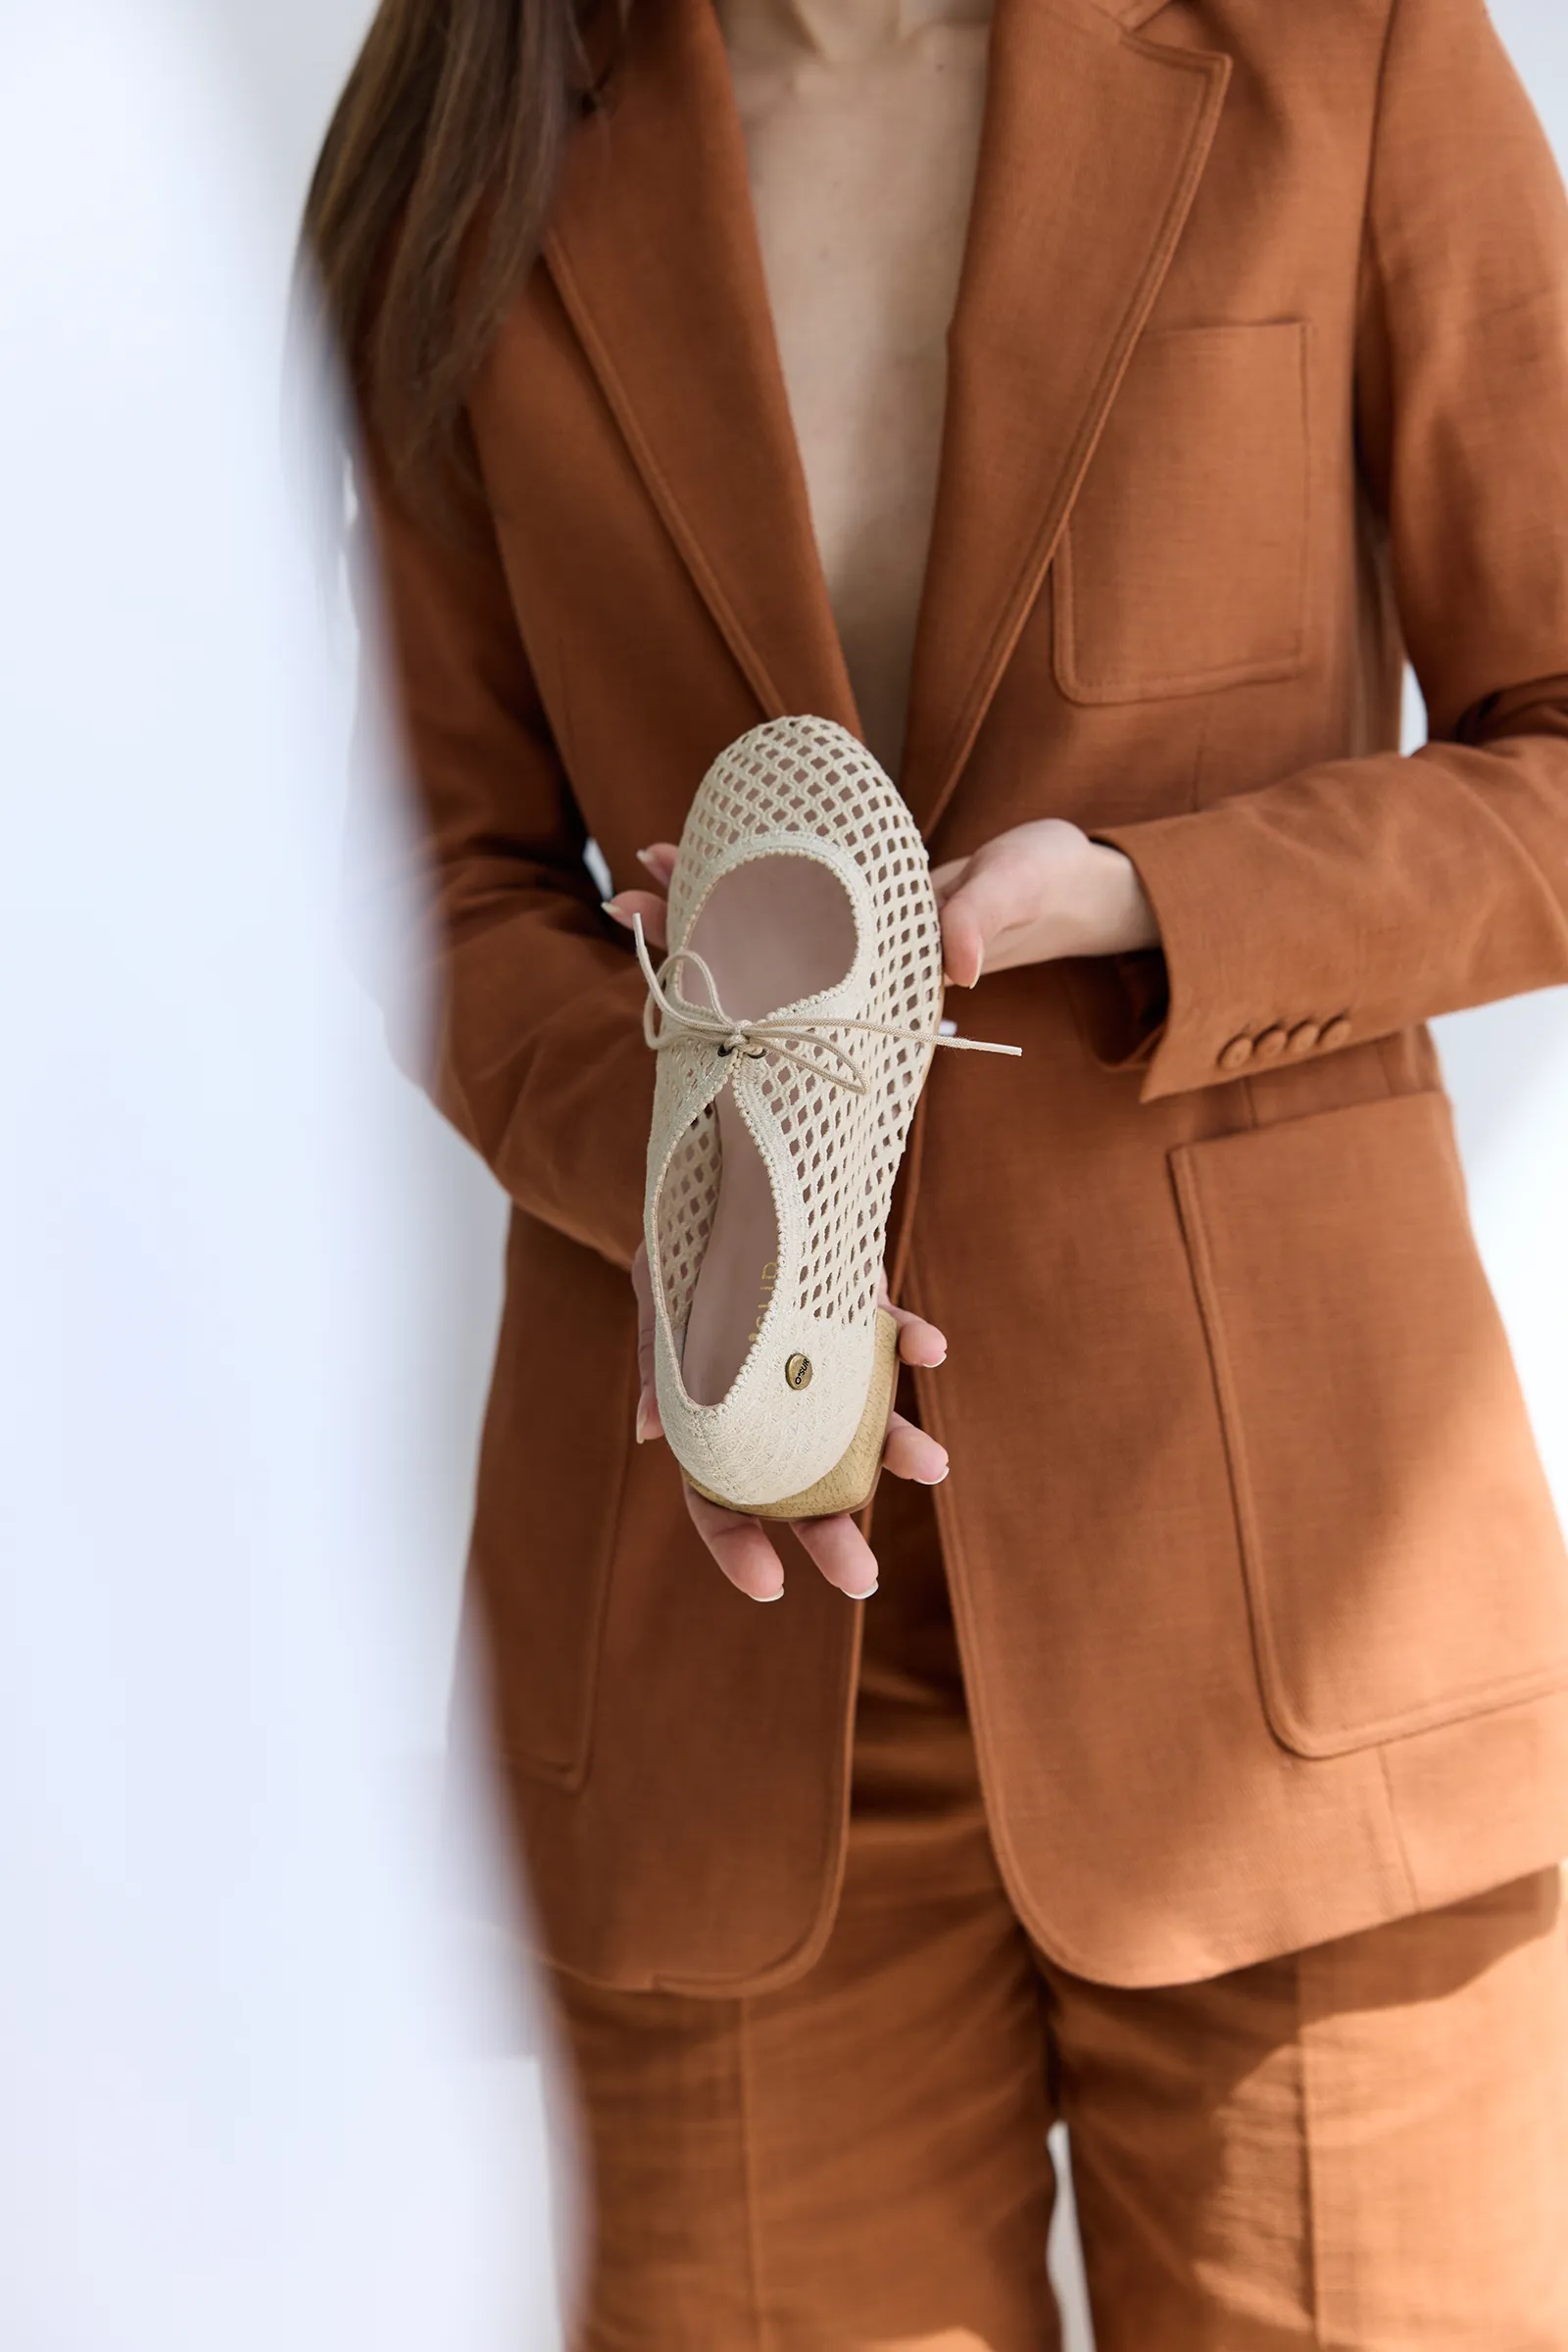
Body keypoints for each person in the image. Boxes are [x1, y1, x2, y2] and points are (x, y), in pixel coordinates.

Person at [307, 0, 1568, 2336]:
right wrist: (695, 1181)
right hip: (710, 1619)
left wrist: (1167, 897)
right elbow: (428, 873)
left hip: (1285, 1613)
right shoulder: (476, 128)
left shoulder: (1347, 46)